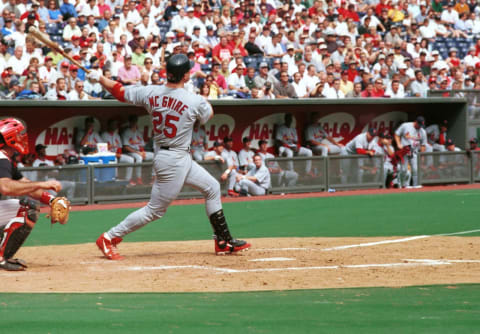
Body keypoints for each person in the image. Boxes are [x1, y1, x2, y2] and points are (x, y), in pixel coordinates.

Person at [87, 54, 250, 259]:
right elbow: (208, 114)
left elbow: (119, 91)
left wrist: (100, 78)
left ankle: (223, 241)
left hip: (175, 156)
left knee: (212, 187)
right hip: (173, 160)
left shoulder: (150, 92)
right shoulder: (194, 100)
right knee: (154, 210)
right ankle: (109, 237)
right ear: (185, 76)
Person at [0, 118, 62, 271]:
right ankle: (1, 259)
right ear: (10, 137)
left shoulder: (6, 158)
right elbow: (5, 187)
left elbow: (25, 185)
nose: (23, 137)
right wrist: (42, 184)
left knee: (26, 206)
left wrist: (51, 199)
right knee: (28, 209)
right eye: (19, 134)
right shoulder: (1, 159)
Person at [121, 114, 154, 185]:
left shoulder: (138, 132)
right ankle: (139, 178)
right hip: (130, 152)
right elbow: (125, 147)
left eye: (135, 121)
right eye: (132, 121)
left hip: (139, 151)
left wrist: (143, 152)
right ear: (129, 122)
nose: (134, 123)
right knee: (139, 158)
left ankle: (153, 178)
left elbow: (141, 145)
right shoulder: (126, 132)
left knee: (155, 156)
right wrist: (139, 153)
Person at [394, 116, 427, 188]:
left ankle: (416, 185)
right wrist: (398, 143)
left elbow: (423, 145)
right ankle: (404, 185)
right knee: (404, 169)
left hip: (414, 151)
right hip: (405, 150)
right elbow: (396, 134)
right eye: (419, 124)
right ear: (416, 122)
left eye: (421, 125)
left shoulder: (423, 131)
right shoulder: (405, 125)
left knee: (415, 169)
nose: (420, 127)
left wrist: (422, 155)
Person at [101, 119, 135, 185]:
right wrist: (115, 154)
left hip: (117, 154)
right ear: (109, 125)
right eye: (113, 125)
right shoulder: (104, 135)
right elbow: (102, 149)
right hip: (108, 155)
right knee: (115, 159)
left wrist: (119, 154)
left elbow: (119, 147)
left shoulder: (117, 135)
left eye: (115, 125)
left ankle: (128, 180)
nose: (115, 126)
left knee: (131, 160)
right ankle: (115, 178)